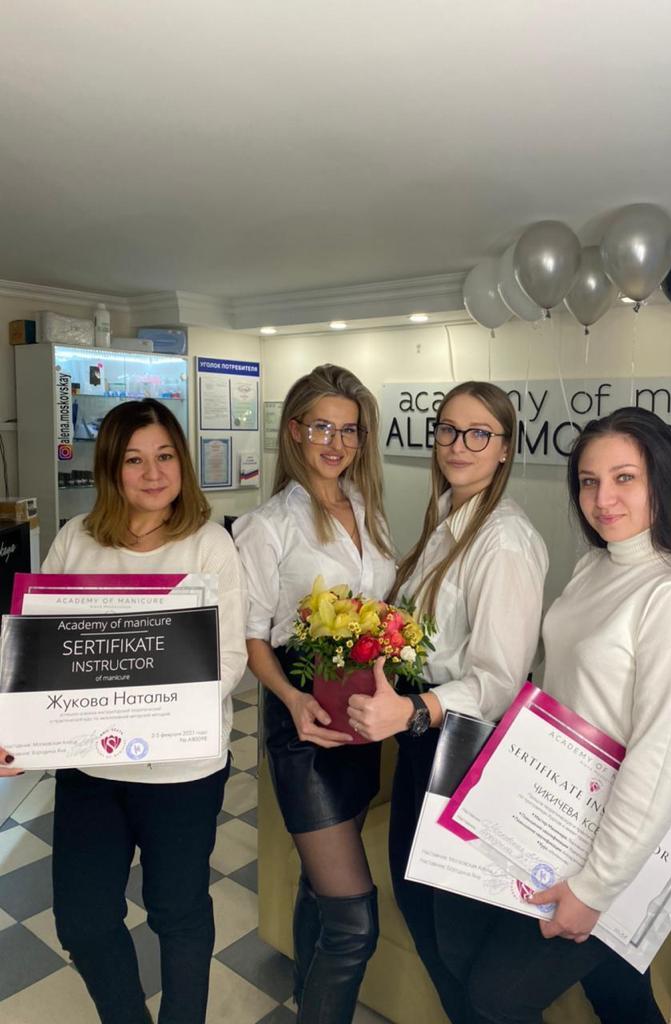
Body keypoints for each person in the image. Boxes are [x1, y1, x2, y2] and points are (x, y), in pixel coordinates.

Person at [434, 406, 671, 1024]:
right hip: (556, 817)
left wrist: (595, 887)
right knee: (616, 993)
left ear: (662, 482)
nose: (603, 499)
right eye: (589, 481)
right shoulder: (595, 565)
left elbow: (658, 763)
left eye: (625, 478)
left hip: (621, 847)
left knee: (496, 994)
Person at [1, 398, 247, 1024]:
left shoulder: (210, 545)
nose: (153, 473)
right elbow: (38, 649)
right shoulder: (76, 539)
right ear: (111, 468)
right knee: (82, 921)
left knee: (177, 913)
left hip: (182, 771)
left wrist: (149, 707)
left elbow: (228, 657)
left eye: (165, 456)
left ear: (182, 462)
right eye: (135, 460)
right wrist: (16, 730)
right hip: (92, 769)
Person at [345, 380, 548, 1024]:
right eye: (449, 430)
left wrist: (411, 711)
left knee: (457, 933)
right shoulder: (447, 517)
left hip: (464, 747)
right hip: (426, 738)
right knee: (416, 900)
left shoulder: (504, 541)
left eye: (479, 434)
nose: (459, 445)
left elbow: (499, 679)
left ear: (505, 448)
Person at [233, 364, 396, 1024]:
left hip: (359, 719)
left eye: (349, 431)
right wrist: (291, 698)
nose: (336, 442)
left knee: (318, 886)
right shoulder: (267, 524)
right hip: (303, 722)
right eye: (322, 427)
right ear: (295, 430)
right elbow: (251, 636)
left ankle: (307, 994)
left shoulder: (366, 511)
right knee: (355, 922)